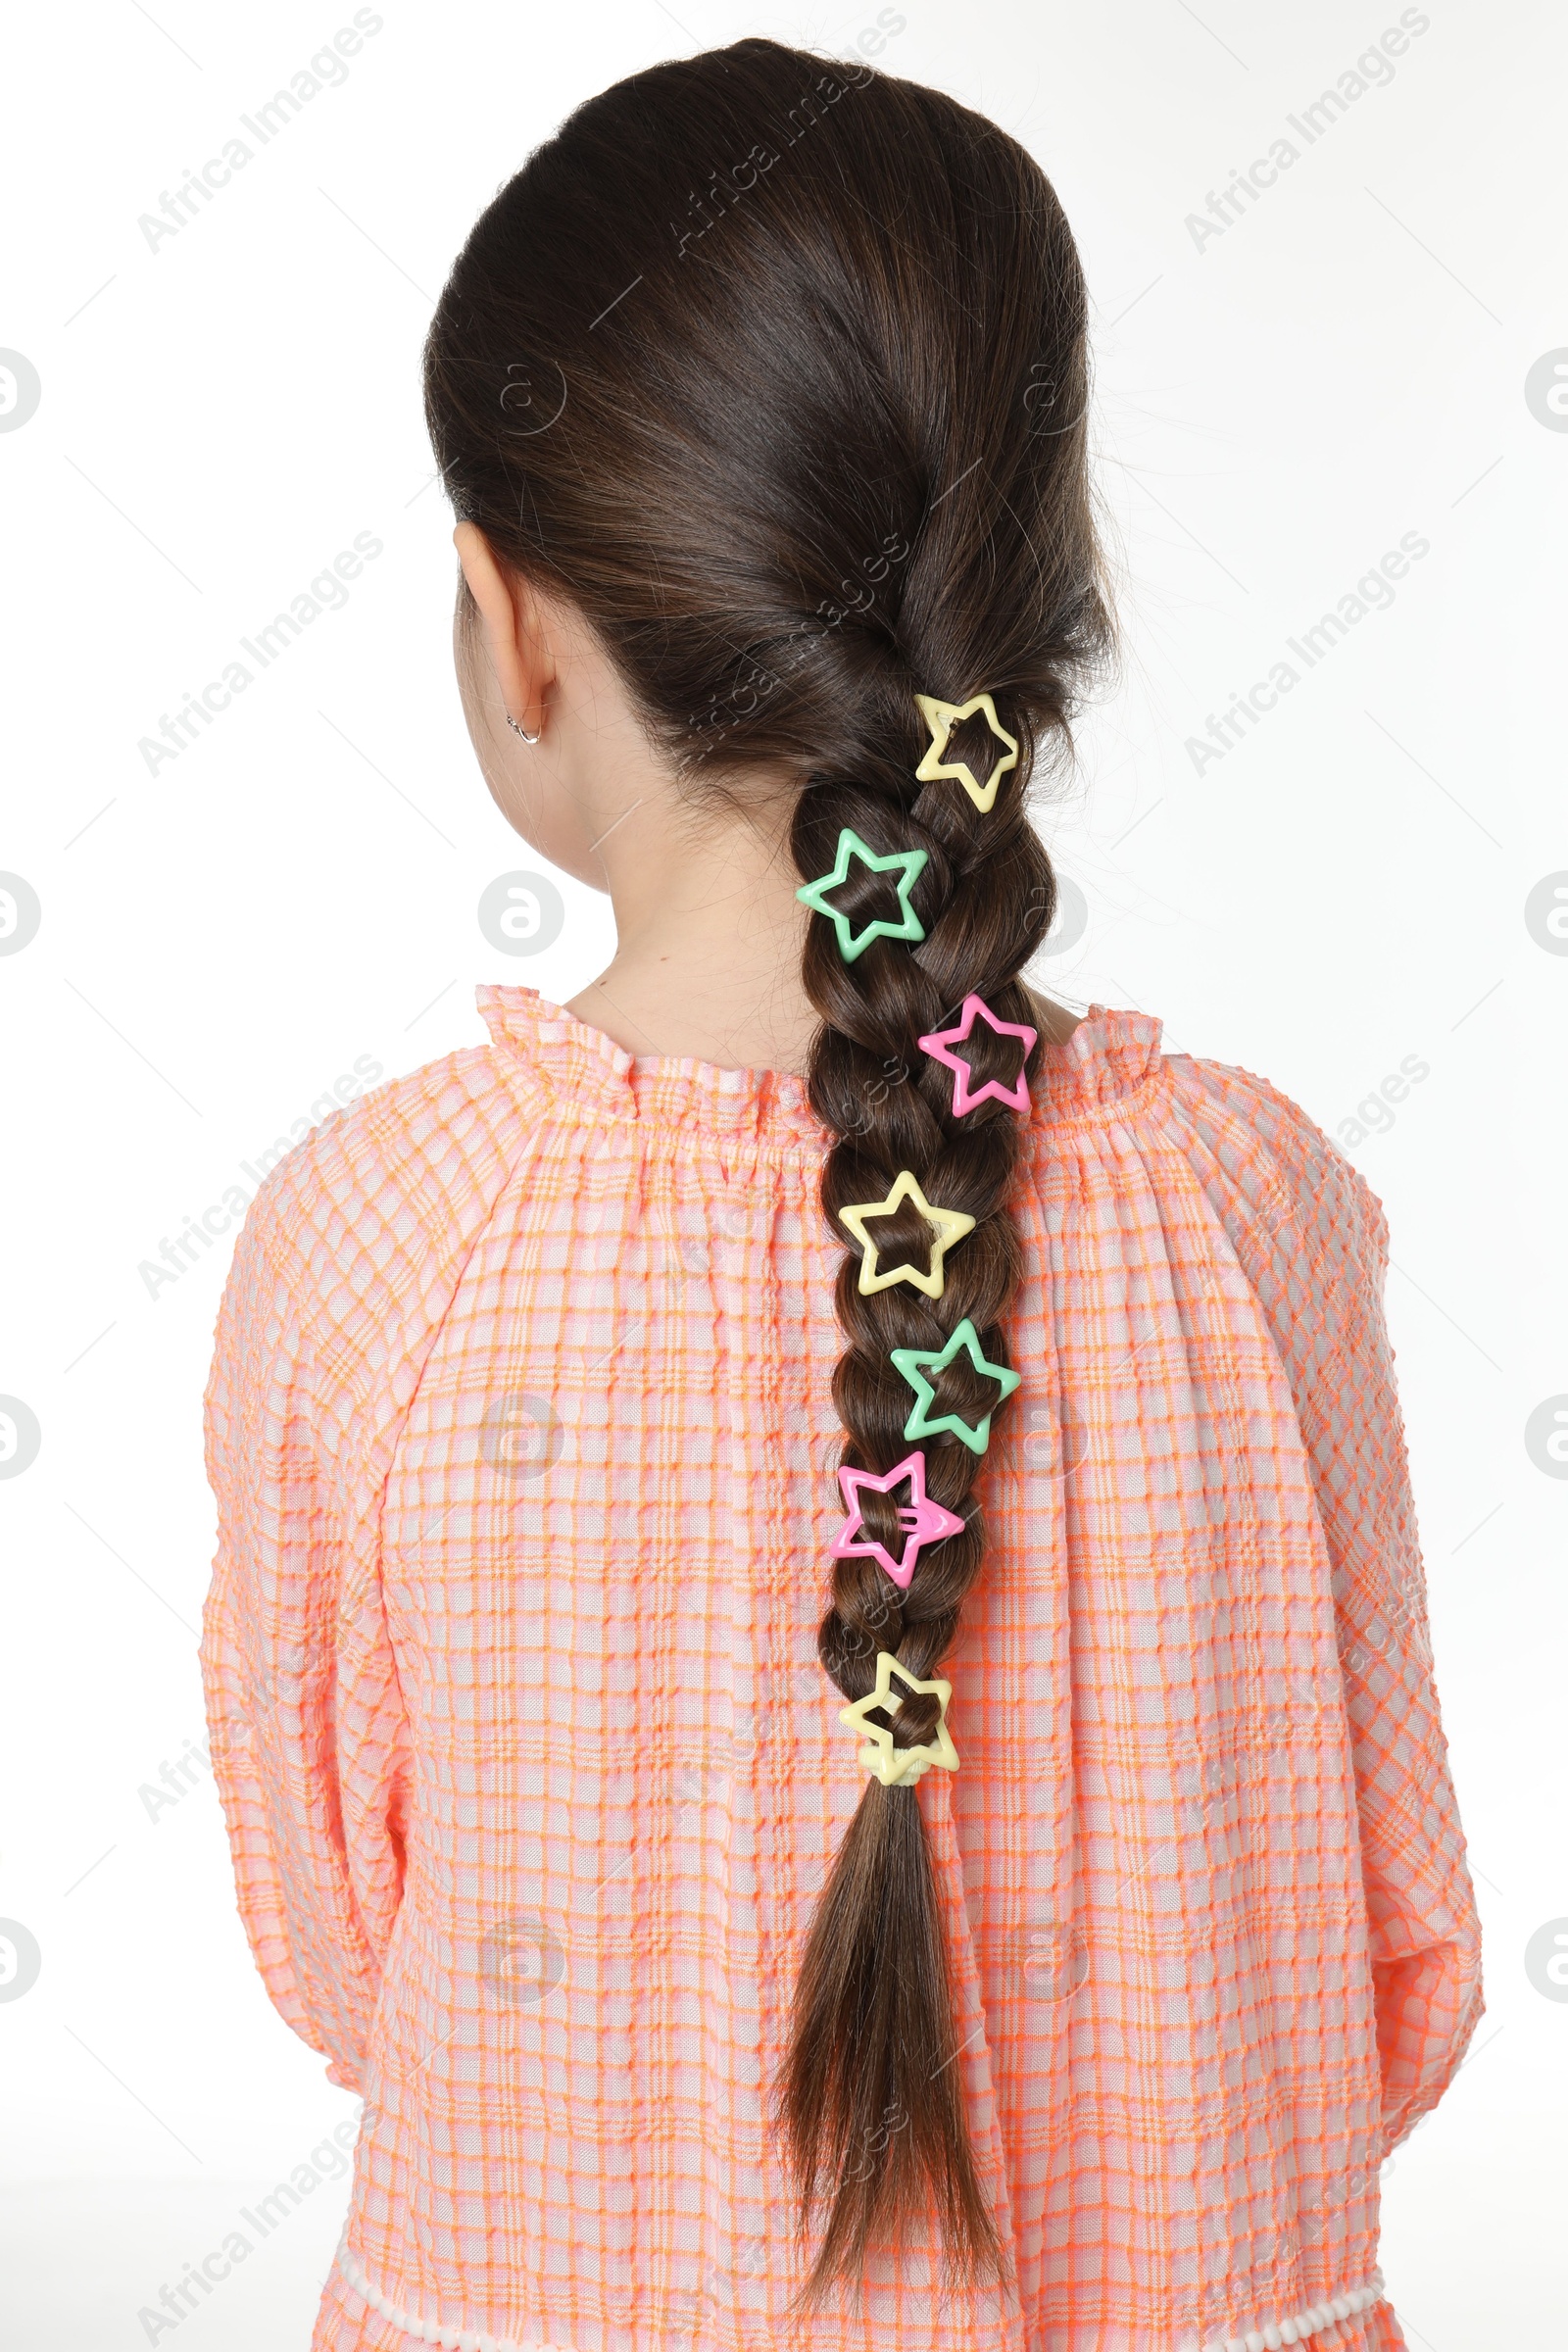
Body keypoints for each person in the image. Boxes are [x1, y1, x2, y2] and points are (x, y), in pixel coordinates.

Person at [200, 37, 1482, 2352]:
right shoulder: (1255, 1215)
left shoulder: (383, 1241)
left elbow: (335, 1944)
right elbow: (1396, 1944)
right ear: (1031, 601)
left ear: (513, 629)